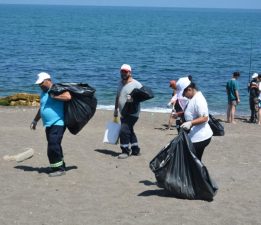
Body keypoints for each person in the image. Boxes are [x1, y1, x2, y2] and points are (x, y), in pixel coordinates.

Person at [30, 72, 71, 177]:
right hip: (48, 124)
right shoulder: (43, 93)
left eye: (41, 83)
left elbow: (67, 97)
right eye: (39, 84)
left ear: (48, 80)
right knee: (55, 145)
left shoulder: (57, 88)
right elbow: (42, 108)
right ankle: (57, 166)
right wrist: (35, 121)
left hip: (58, 122)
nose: (40, 85)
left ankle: (60, 169)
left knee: (53, 145)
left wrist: (54, 96)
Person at [114, 64, 143, 159]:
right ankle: (135, 149)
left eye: (125, 72)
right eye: (122, 71)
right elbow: (117, 97)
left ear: (130, 72)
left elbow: (144, 95)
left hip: (133, 113)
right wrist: (115, 109)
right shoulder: (119, 83)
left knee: (124, 130)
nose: (123, 73)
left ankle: (125, 151)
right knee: (129, 130)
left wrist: (133, 100)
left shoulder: (136, 84)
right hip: (123, 112)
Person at [180, 79, 213, 161]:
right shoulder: (193, 98)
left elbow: (205, 118)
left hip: (200, 137)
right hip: (196, 136)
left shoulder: (199, 99)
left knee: (191, 161)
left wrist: (190, 123)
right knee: (195, 162)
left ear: (189, 89)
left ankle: (199, 173)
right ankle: (197, 173)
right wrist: (179, 115)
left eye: (184, 93)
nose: (184, 96)